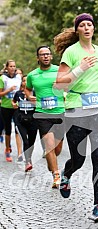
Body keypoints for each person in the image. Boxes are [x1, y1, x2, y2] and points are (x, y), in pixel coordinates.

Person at [54, 13, 98, 222]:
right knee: (79, 160)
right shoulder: (71, 52)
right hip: (76, 112)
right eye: (83, 25)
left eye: (90, 24)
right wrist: (80, 68)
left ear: (93, 28)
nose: (87, 27)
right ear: (77, 29)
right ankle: (67, 174)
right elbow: (60, 84)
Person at [25, 45, 65, 188]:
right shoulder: (32, 75)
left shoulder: (59, 70)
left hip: (60, 112)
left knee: (57, 149)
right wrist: (30, 97)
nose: (46, 56)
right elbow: (27, 89)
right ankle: (56, 175)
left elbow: (70, 86)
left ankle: (51, 161)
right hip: (42, 113)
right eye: (42, 55)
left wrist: (62, 87)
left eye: (48, 54)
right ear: (38, 58)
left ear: (51, 56)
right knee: (49, 145)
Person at [12, 75, 38, 172]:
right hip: (20, 121)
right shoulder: (18, 93)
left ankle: (29, 158)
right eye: (24, 81)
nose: (26, 83)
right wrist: (14, 104)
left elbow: (40, 104)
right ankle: (27, 162)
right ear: (21, 82)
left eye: (28, 81)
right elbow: (13, 101)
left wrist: (34, 101)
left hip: (33, 121)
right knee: (25, 141)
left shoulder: (35, 93)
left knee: (31, 143)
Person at [0, 60, 22, 162]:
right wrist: (8, 90)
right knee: (8, 129)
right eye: (11, 66)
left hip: (16, 107)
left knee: (18, 128)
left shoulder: (18, 77)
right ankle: (8, 149)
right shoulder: (2, 78)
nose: (13, 68)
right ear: (7, 68)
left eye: (14, 66)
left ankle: (19, 153)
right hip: (5, 106)